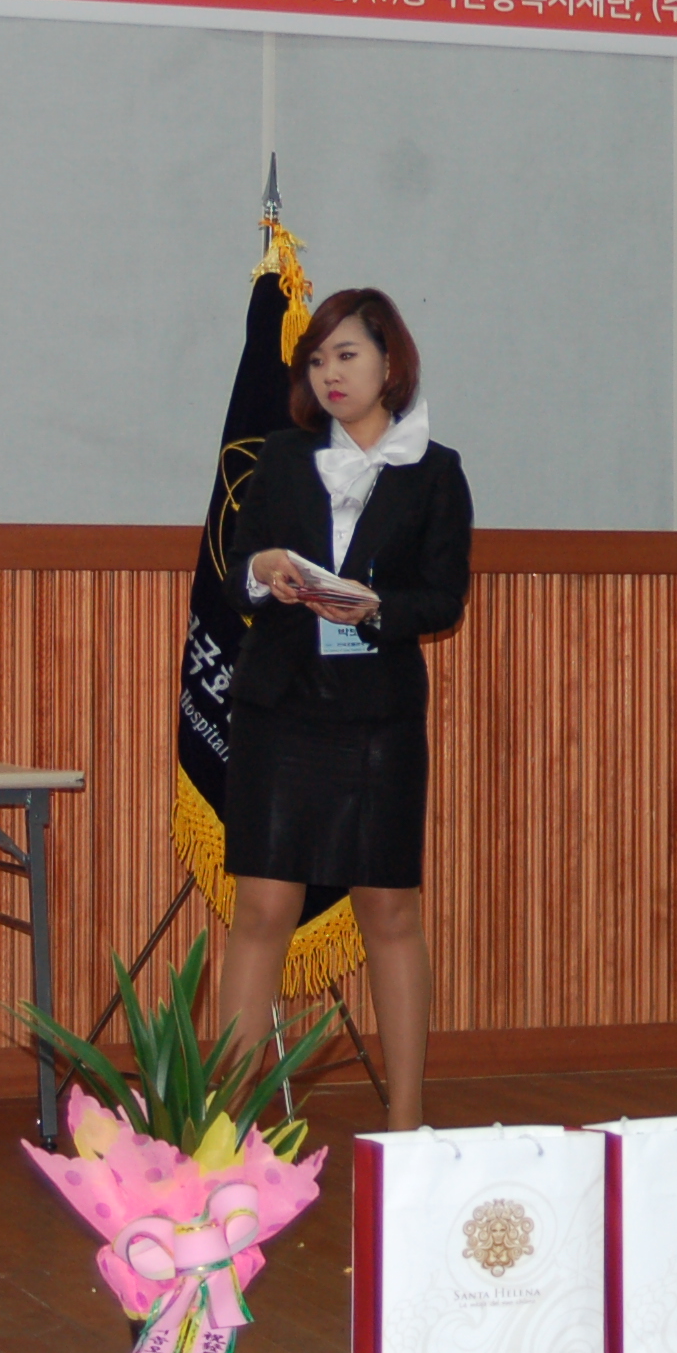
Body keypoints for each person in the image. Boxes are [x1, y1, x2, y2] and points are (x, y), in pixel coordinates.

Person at [218, 287, 472, 1134]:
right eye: (318, 359)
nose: (330, 373)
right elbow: (237, 575)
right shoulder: (282, 457)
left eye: (348, 355)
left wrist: (377, 608)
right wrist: (267, 571)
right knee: (262, 910)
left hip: (377, 722)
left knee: (390, 913)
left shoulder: (436, 470)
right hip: (279, 709)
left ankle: (406, 1126)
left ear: (390, 362)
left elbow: (444, 596)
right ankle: (231, 1129)